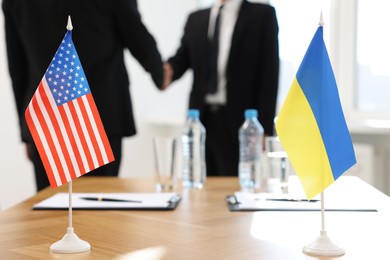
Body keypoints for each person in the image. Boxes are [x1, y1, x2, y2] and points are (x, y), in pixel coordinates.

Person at [2, 0, 167, 191]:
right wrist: (160, 74)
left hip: (45, 119)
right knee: (99, 210)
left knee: (50, 212)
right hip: (100, 118)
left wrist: (26, 132)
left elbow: (17, 67)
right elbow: (136, 35)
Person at [164, 0, 279, 176]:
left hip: (242, 122)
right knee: (201, 183)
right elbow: (180, 61)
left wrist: (264, 127)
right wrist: (159, 70)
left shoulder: (262, 15)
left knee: (237, 185)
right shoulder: (196, 19)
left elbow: (269, 74)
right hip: (202, 120)